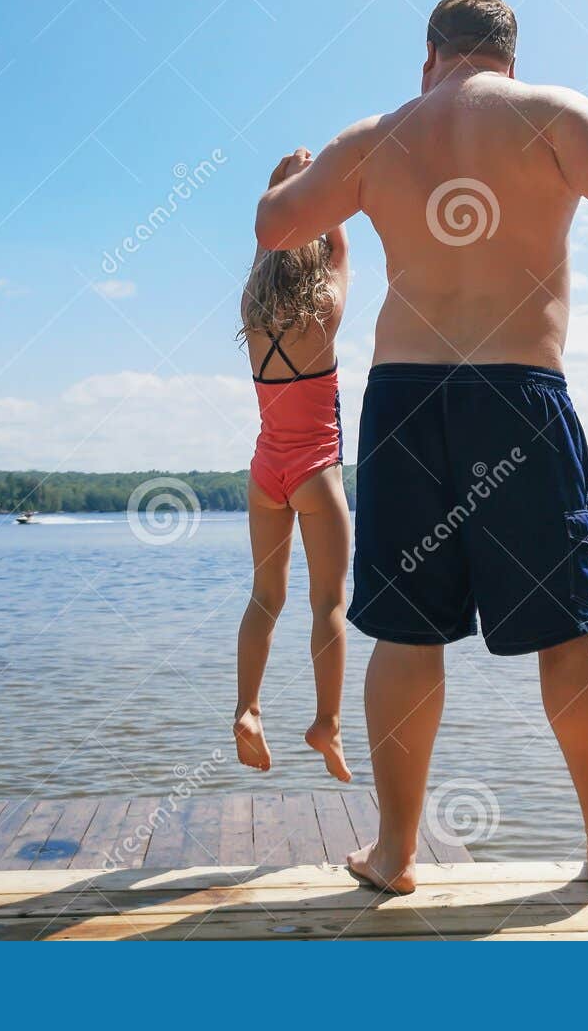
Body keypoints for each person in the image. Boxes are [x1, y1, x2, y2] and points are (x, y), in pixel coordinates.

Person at [254, 0, 588, 894]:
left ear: (430, 56)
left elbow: (275, 229)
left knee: (406, 637)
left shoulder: (373, 139)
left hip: (405, 403)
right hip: (517, 396)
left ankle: (394, 856)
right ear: (508, 56)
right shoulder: (551, 114)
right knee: (569, 637)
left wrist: (299, 186)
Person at [234, 162, 353, 783]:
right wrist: (317, 188)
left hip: (265, 473)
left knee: (265, 597)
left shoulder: (253, 308)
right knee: (328, 602)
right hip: (315, 472)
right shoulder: (325, 308)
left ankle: (248, 709)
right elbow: (340, 241)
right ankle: (325, 724)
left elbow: (265, 242)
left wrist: (278, 185)